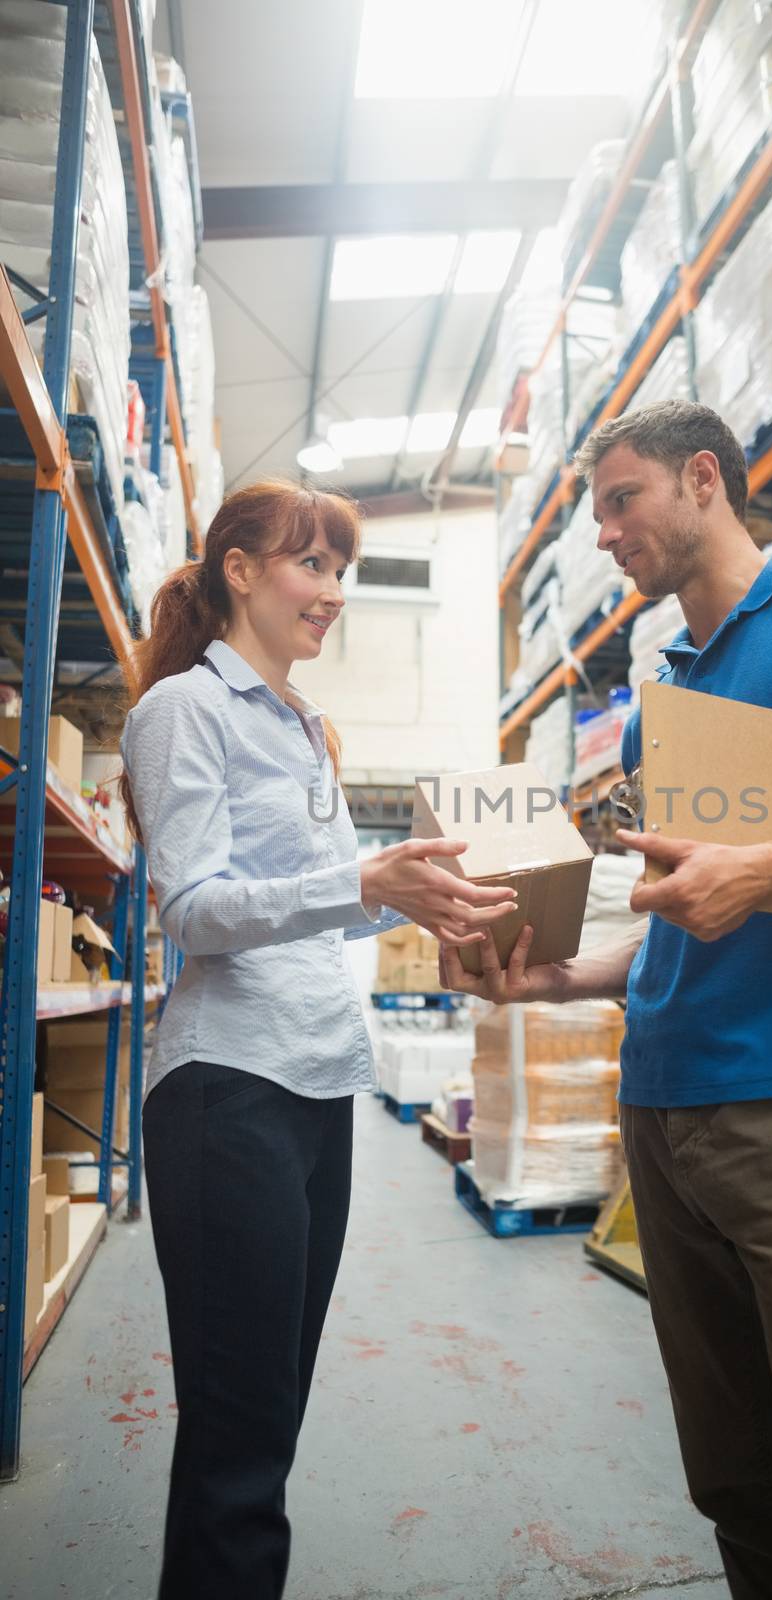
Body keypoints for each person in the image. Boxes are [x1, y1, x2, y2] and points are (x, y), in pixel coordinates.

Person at [441, 400, 772, 1600]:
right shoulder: (663, 688)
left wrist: (770, 870)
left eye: (619, 500)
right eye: (593, 512)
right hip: (664, 1119)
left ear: (703, 479)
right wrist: (553, 978)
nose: (602, 534)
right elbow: (672, 931)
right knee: (737, 1491)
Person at [119, 480, 517, 1600]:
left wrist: (423, 891)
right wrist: (359, 878)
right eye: (313, 566)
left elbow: (326, 900)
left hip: (311, 1087)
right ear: (238, 569)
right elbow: (193, 907)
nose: (333, 592)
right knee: (240, 1446)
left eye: (342, 571)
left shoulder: (304, 727)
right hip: (223, 1089)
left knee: (262, 1425)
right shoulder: (183, 710)